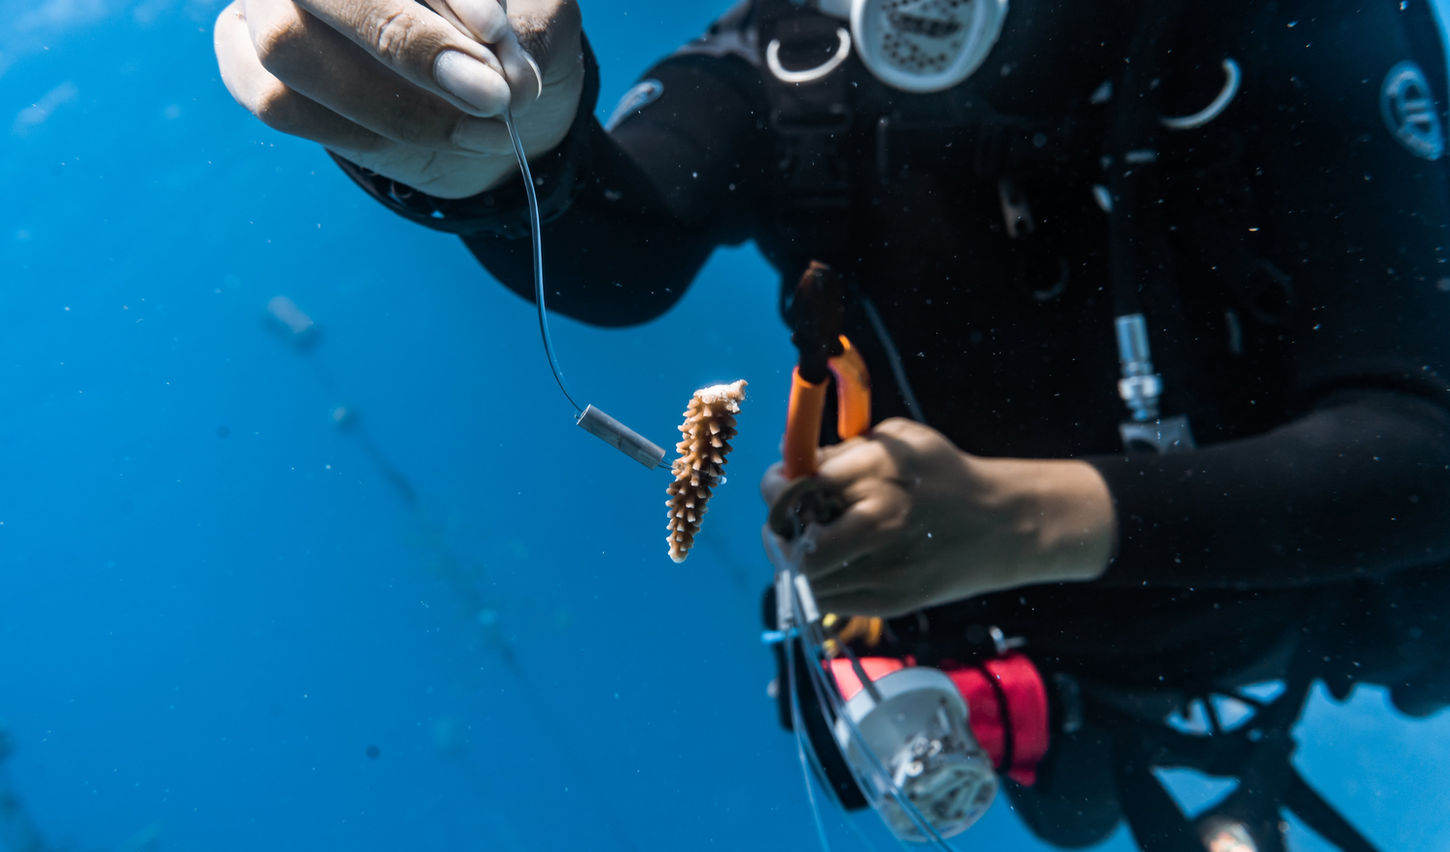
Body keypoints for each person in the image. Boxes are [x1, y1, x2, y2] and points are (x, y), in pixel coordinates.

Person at [215, 0, 1450, 848]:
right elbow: (614, 242)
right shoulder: (789, 63)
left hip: (1292, 598)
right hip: (1021, 657)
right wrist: (502, 154)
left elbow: (1423, 451)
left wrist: (1027, 517)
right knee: (1069, 798)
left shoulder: (1295, 24)